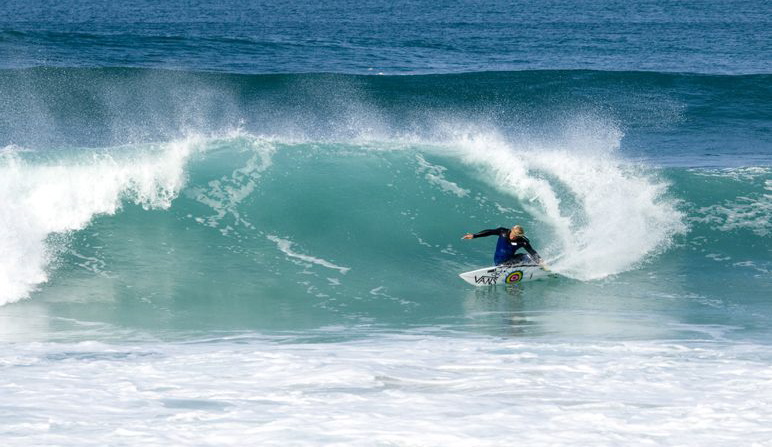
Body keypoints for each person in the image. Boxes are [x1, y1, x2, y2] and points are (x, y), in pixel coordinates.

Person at [462, 225, 543, 266]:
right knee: (524, 257)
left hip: (511, 261)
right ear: (511, 229)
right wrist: (475, 235)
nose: (514, 236)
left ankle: (539, 267)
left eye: (517, 236)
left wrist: (540, 260)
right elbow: (489, 232)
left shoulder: (523, 241)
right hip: (498, 262)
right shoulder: (503, 232)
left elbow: (532, 251)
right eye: (513, 234)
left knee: (527, 256)